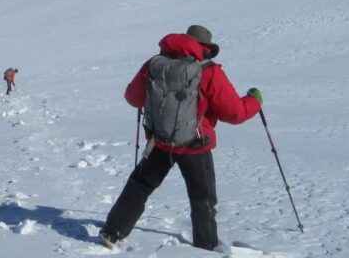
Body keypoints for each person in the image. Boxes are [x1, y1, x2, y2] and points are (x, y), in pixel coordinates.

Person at [99, 25, 262, 252]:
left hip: (160, 141)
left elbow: (132, 98)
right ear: (205, 48)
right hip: (195, 144)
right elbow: (234, 113)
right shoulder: (209, 71)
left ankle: (112, 231)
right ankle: (205, 248)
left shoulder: (155, 63)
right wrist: (255, 101)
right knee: (202, 200)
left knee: (140, 185)